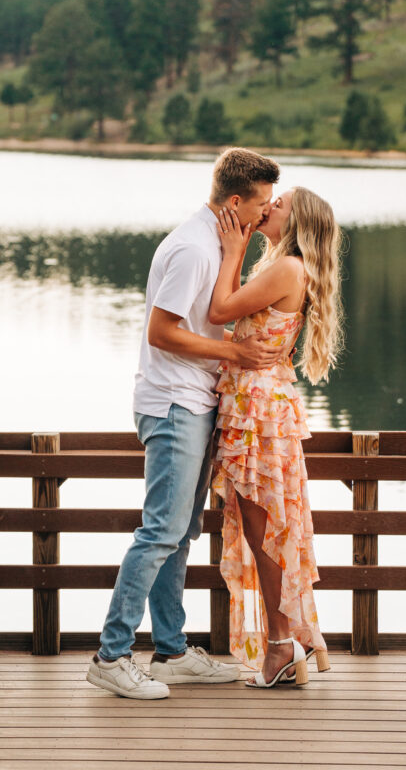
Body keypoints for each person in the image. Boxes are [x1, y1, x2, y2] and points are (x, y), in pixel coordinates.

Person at [86, 147, 285, 700]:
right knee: (159, 533)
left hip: (191, 402)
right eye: (262, 204)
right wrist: (233, 353)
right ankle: (111, 654)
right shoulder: (196, 249)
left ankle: (171, 651)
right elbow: (162, 332)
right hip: (174, 403)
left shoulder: (215, 244)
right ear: (237, 200)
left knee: (179, 536)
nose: (266, 214)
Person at [209, 186, 345, 688]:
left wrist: (232, 252)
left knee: (264, 530)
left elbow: (220, 311)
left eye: (279, 204)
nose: (269, 207)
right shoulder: (284, 267)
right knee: (262, 527)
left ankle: (282, 647)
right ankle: (290, 643)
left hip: (258, 410)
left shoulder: (287, 269)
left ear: (296, 223)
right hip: (258, 404)